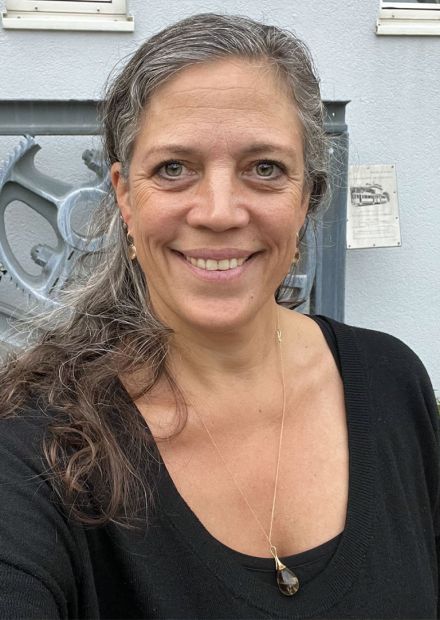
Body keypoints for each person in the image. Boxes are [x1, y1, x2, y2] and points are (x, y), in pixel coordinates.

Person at [0, 12, 438, 620]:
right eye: (174, 168)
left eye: (265, 168)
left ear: (306, 198)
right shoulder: (38, 444)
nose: (219, 212)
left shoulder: (394, 381)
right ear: (125, 195)